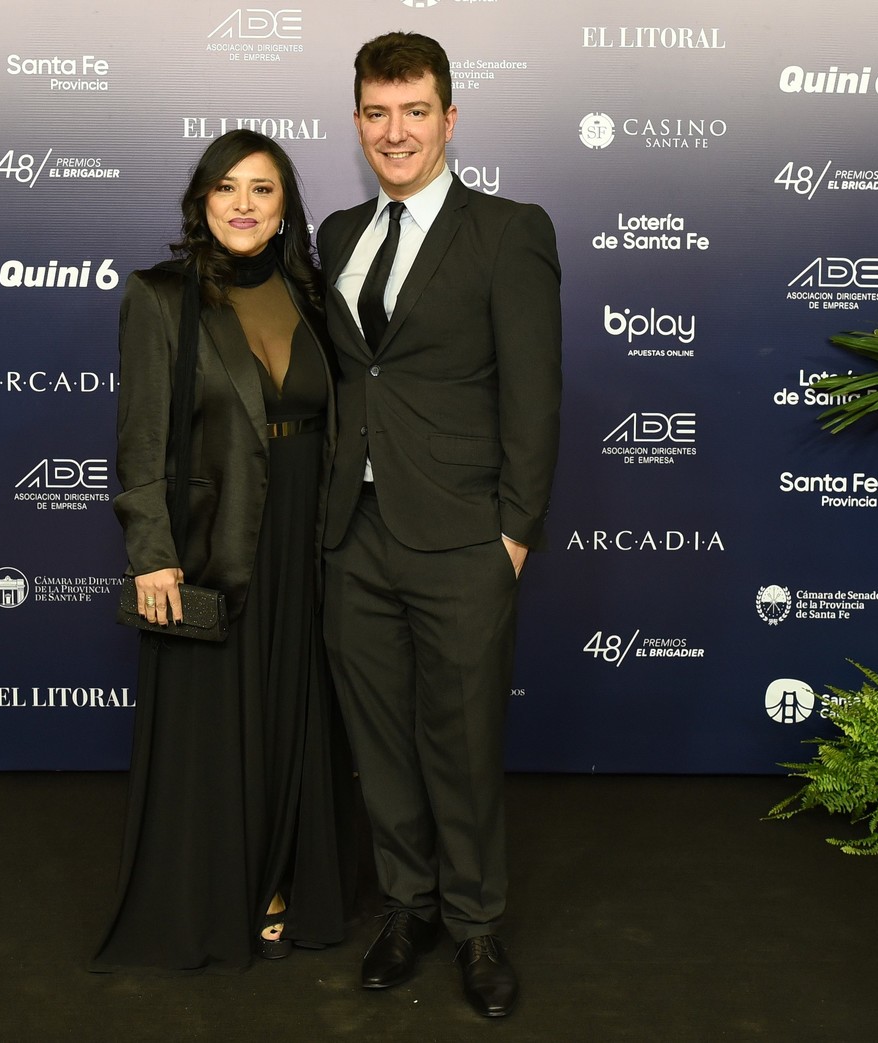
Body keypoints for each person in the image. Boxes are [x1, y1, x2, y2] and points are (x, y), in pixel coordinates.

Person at [317, 32, 562, 1018]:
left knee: (460, 740)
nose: (394, 131)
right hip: (353, 532)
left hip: (463, 534)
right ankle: (407, 905)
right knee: (379, 742)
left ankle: (474, 926)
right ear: (357, 121)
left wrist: (513, 531)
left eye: (413, 111)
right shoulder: (337, 234)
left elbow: (534, 395)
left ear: (449, 119)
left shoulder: (507, 230)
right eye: (377, 113)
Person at [91, 129, 348, 972]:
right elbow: (140, 437)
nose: (243, 203)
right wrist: (150, 550)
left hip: (309, 535)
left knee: (292, 711)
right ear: (201, 202)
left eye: (263, 190)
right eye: (226, 187)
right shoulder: (161, 296)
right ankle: (211, 894)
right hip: (212, 542)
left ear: (284, 209)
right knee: (214, 722)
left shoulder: (313, 294)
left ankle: (280, 879)